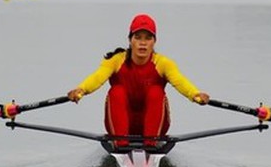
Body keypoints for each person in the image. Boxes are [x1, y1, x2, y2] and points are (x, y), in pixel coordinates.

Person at [67, 13, 210, 147]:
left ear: (154, 41)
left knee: (156, 92)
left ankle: (151, 144)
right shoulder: (115, 61)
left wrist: (195, 95)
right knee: (117, 91)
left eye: (148, 38)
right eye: (138, 37)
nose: (143, 43)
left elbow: (181, 82)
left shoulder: (163, 63)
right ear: (130, 40)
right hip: (119, 122)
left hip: (156, 125)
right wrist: (81, 90)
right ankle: (121, 144)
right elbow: (97, 78)